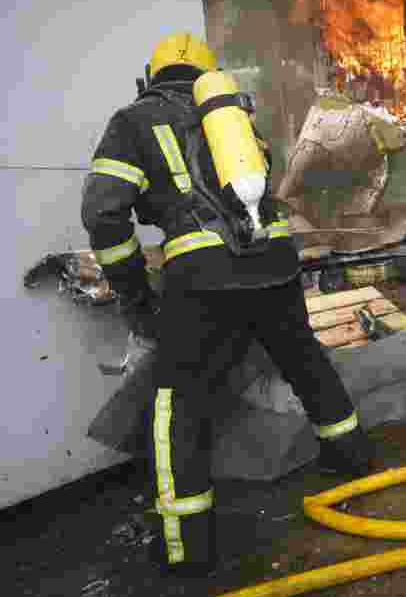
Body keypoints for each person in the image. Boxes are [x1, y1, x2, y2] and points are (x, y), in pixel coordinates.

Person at [81, 32, 374, 576]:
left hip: (203, 277)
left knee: (179, 400)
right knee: (303, 359)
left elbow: (103, 214)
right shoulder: (235, 116)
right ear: (208, 79)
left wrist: (134, 293)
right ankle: (354, 459)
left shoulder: (133, 120)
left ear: (150, 78)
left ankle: (186, 544)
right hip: (276, 264)